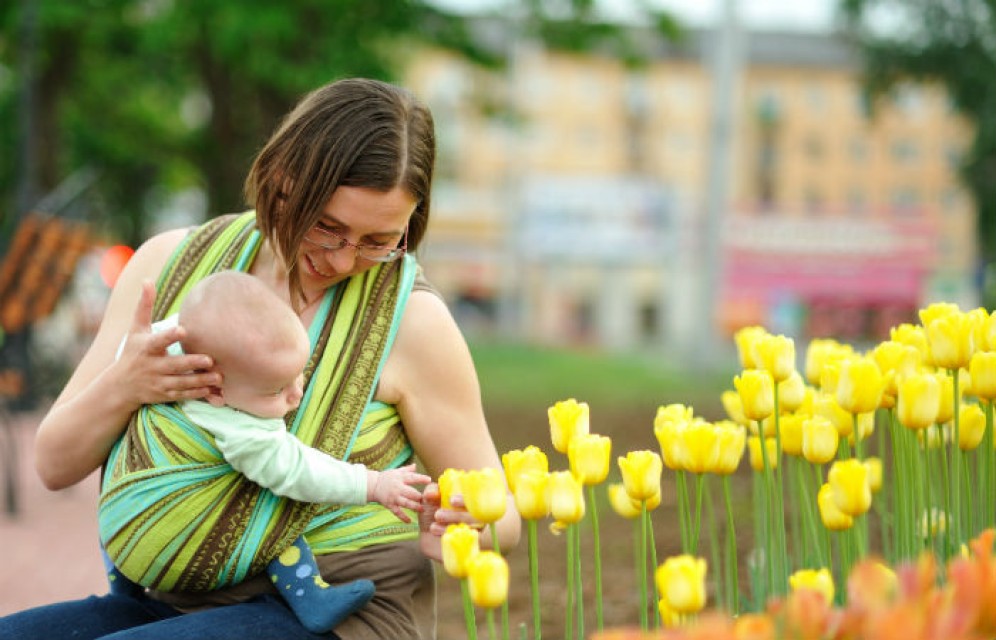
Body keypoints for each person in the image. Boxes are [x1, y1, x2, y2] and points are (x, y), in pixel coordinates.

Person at [1, 77, 520, 640]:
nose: (346, 258)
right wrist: (126, 384)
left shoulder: (412, 324)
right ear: (280, 180)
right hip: (178, 600)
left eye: (380, 241)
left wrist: (460, 521)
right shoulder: (171, 265)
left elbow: (503, 517)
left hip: (339, 607)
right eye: (328, 226)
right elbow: (54, 465)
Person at [98, 269, 432, 634]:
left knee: (118, 472)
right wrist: (373, 484)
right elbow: (299, 470)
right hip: (171, 554)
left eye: (300, 374)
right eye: (275, 391)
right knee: (273, 502)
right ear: (215, 391)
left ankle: (123, 588)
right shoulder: (242, 428)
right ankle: (311, 595)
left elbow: (126, 354)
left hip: (116, 537)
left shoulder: (171, 347)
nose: (296, 394)